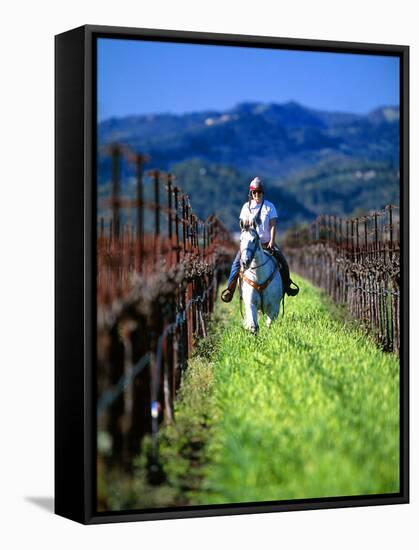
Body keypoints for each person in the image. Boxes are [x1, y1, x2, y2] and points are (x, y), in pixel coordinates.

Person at [221, 177, 299, 303]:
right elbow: (242, 225)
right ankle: (230, 289)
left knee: (283, 262)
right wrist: (244, 222)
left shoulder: (269, 207)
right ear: (251, 193)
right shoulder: (246, 207)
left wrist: (272, 241)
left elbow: (273, 225)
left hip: (266, 243)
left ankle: (287, 285)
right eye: (254, 192)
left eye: (259, 192)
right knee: (236, 264)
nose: (257, 194)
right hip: (251, 245)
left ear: (263, 193)